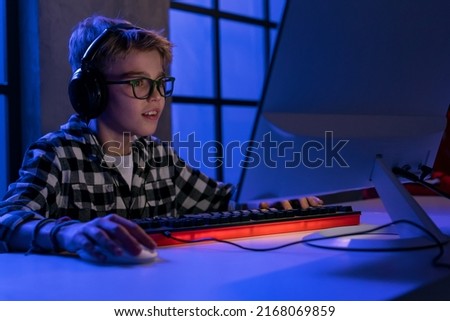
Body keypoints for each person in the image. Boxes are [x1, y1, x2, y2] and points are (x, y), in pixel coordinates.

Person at [0, 15, 322, 262]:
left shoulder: (159, 157)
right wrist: (70, 234)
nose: (156, 97)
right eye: (138, 83)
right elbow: (7, 220)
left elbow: (221, 202)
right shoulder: (56, 154)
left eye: (159, 83)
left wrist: (270, 202)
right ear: (91, 93)